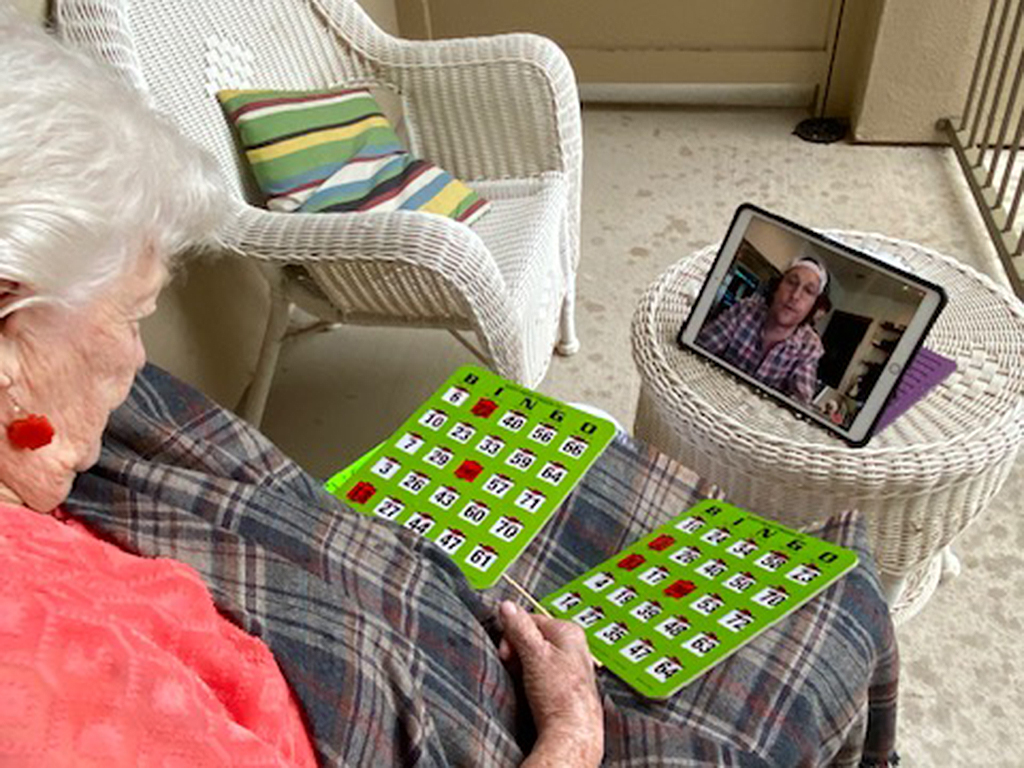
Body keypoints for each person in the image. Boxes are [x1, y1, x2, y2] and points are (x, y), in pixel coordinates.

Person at [0, 13, 899, 768]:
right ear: (11, 327)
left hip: (413, 614)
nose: (137, 357)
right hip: (496, 719)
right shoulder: (65, 695)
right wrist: (576, 732)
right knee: (848, 599)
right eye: (131, 314)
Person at [697, 258, 830, 403]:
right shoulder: (744, 310)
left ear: (813, 306)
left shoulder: (810, 346)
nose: (795, 296)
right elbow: (697, 352)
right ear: (777, 287)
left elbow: (798, 404)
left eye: (808, 291)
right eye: (791, 282)